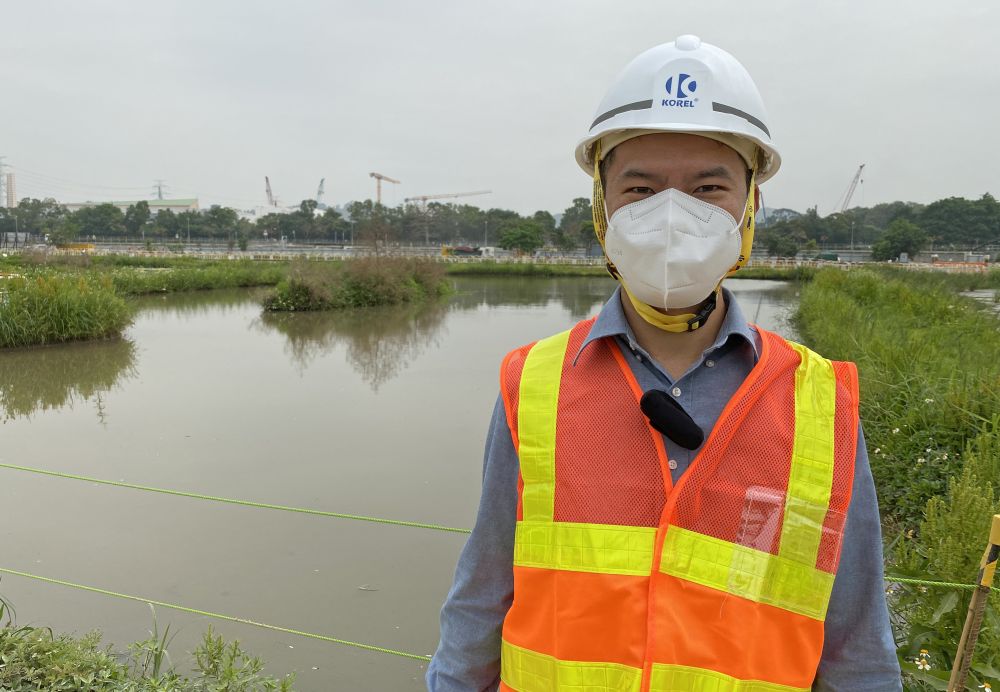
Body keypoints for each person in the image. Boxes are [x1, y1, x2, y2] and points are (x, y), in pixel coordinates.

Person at [427, 35, 901, 691]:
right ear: (602, 205)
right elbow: (478, 606)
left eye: (708, 188)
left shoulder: (822, 405)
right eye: (641, 188)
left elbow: (857, 650)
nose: (673, 217)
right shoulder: (532, 385)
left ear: (748, 207)